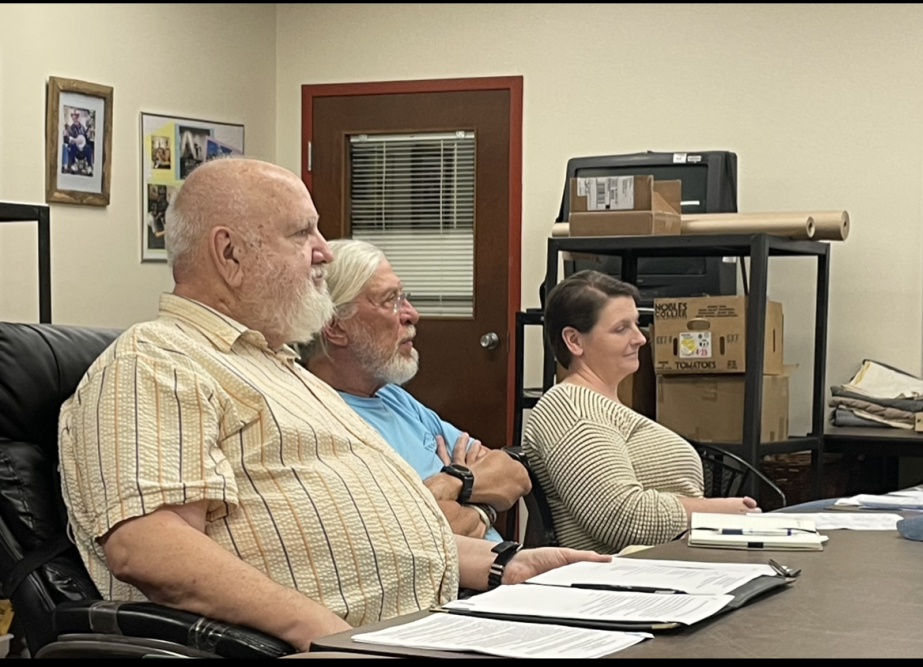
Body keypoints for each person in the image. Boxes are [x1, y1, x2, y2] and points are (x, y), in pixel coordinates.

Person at [57, 157, 608, 653]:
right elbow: (151, 550)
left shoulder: (280, 368)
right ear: (229, 253)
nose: (323, 250)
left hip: (429, 624)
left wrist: (503, 566)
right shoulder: (158, 360)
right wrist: (325, 637)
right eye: (302, 233)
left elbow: (385, 536)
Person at [302, 238, 531, 543]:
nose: (411, 314)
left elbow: (514, 475)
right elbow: (417, 533)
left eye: (404, 297)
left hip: (504, 573)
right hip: (462, 586)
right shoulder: (321, 418)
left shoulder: (391, 396)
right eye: (390, 300)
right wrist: (485, 506)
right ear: (335, 326)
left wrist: (453, 482)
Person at [523, 269, 760, 555]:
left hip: (669, 566)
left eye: (637, 324)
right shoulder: (570, 409)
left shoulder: (601, 406)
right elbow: (618, 517)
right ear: (574, 341)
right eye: (621, 328)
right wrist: (713, 512)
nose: (641, 339)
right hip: (626, 580)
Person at [63, 108, 94, 175]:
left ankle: (89, 167)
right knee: (72, 145)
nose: (75, 119)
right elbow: (70, 139)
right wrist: (74, 140)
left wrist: (88, 135)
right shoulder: (71, 128)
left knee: (88, 147)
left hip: (83, 149)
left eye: (76, 117)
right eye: (73, 117)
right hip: (76, 150)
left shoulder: (83, 128)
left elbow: (85, 138)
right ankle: (73, 165)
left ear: (78, 117)